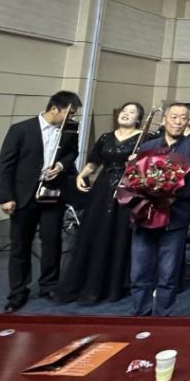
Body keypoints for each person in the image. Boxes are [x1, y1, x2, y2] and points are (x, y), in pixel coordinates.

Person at [0, 90, 81, 313]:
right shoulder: (21, 129)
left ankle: (49, 286)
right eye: (70, 113)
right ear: (54, 109)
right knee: (20, 245)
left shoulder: (70, 129)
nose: (72, 117)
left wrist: (60, 166)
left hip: (53, 194)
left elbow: (72, 153)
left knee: (52, 241)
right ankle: (18, 292)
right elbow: (5, 164)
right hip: (24, 195)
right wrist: (6, 196)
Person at [58, 101, 149, 304]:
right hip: (103, 188)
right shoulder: (106, 137)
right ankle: (89, 282)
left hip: (127, 189)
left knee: (119, 232)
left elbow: (150, 167)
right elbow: (94, 161)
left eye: (132, 112)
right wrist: (82, 175)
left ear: (138, 119)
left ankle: (114, 285)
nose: (126, 114)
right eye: (124, 110)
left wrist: (136, 162)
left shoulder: (145, 138)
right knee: (96, 230)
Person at [129, 103, 190, 316]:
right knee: (139, 273)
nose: (178, 122)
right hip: (145, 217)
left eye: (183, 118)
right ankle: (140, 315)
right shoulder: (147, 146)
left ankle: (163, 318)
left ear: (188, 121)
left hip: (175, 217)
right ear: (164, 119)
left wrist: (174, 194)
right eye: (174, 117)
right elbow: (134, 179)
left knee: (168, 274)